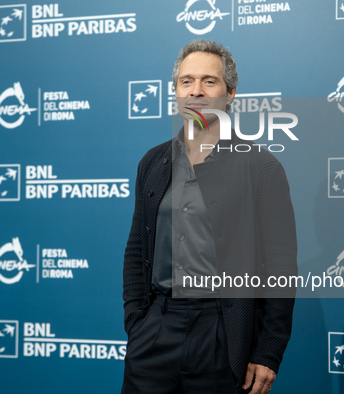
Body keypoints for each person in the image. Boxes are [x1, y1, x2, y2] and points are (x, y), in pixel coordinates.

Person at [122, 39, 297, 394]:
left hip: (221, 331)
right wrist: (137, 321)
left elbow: (281, 266)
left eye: (209, 81)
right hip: (156, 330)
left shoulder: (260, 166)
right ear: (175, 92)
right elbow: (137, 246)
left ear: (230, 93)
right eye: (186, 81)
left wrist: (268, 351)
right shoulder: (153, 163)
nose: (196, 91)